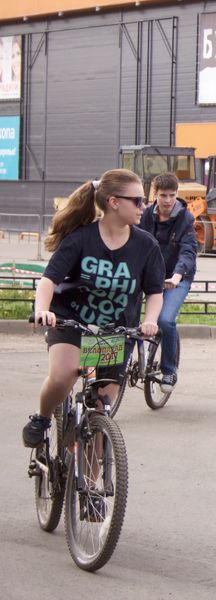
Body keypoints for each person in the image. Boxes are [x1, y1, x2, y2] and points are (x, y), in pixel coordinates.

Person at [23, 169, 165, 447]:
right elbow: (48, 280)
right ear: (114, 202)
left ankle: (89, 487)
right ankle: (41, 418)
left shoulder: (146, 245)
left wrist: (150, 321)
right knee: (64, 374)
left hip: (115, 330)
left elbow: (155, 293)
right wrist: (43, 310)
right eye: (137, 200)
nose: (144, 206)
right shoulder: (81, 239)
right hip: (71, 323)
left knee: (102, 412)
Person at [139, 172, 197, 392]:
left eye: (172, 195)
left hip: (176, 277)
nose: (168, 200)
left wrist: (177, 276)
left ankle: (169, 370)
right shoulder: (145, 216)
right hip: (149, 276)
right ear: (155, 195)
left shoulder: (185, 219)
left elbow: (188, 251)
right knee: (126, 317)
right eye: (163, 195)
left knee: (165, 320)